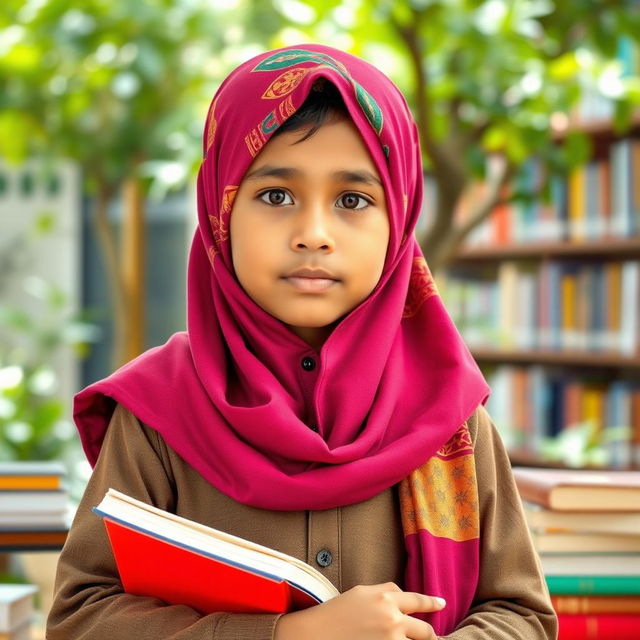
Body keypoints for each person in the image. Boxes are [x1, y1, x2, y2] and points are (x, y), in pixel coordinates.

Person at [47, 44, 557, 639]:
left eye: (353, 200)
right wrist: (292, 636)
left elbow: (522, 617)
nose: (313, 235)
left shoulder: (448, 416)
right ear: (219, 210)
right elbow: (81, 618)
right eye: (276, 196)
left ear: (399, 221)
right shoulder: (160, 411)